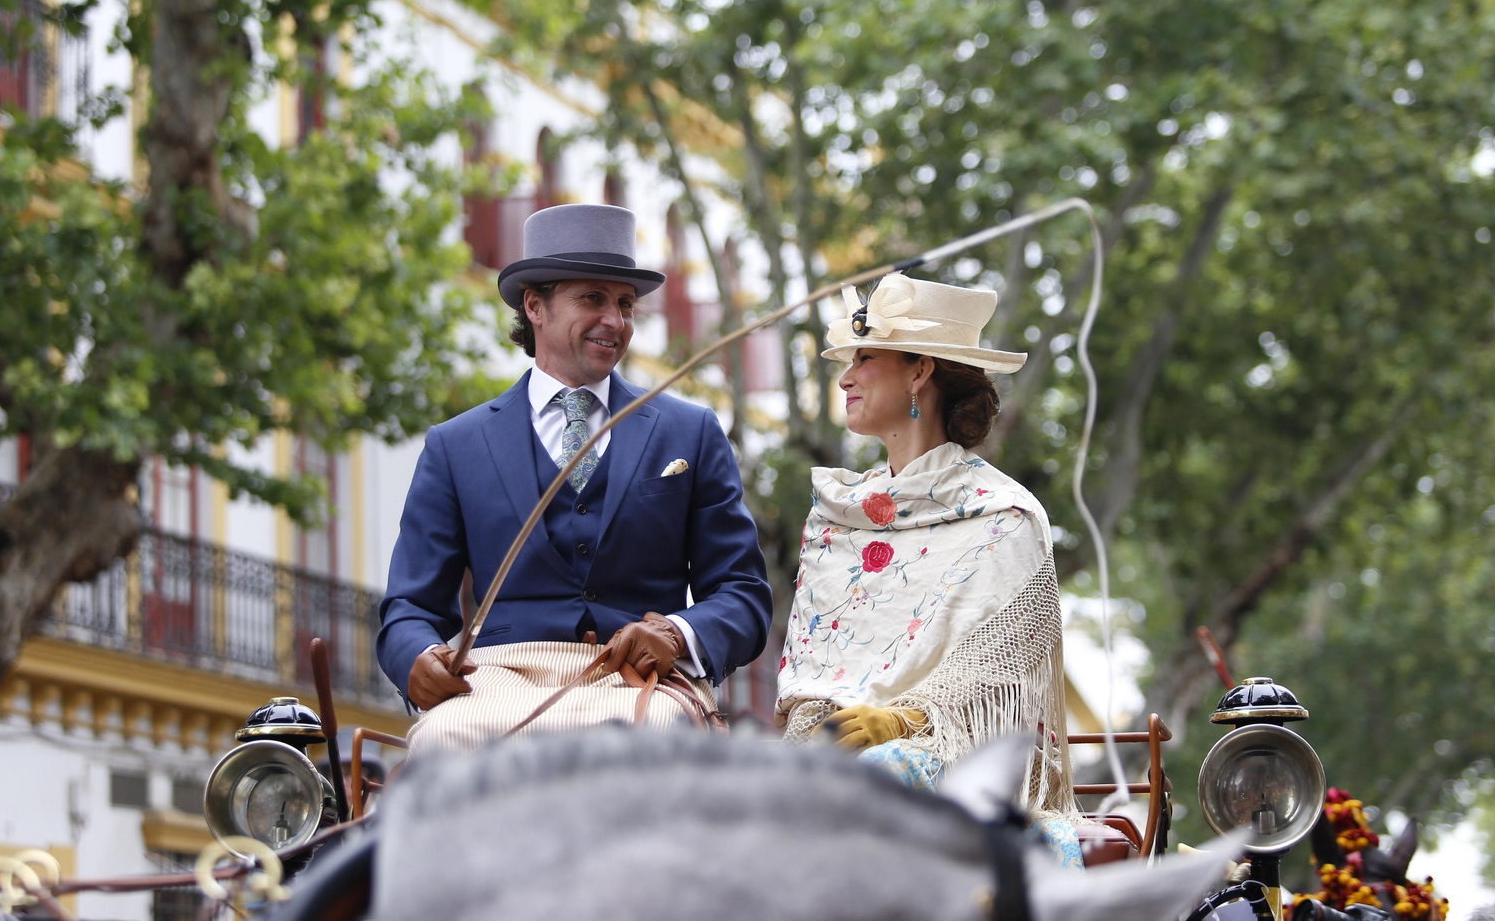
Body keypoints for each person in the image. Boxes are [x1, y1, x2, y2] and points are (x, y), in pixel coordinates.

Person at [378, 203, 773, 739]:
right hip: (497, 678)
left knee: (653, 743)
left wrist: (678, 635)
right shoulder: (457, 445)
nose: (615, 321)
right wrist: (418, 658)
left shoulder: (691, 432)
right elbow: (410, 604)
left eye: (626, 304)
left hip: (642, 681)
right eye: (592, 298)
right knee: (446, 742)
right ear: (534, 306)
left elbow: (742, 591)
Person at [777, 272, 1075, 819]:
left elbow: (998, 686)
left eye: (864, 358)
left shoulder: (1006, 517)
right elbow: (809, 680)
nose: (845, 379)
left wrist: (900, 723)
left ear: (920, 369)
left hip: (960, 773)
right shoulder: (836, 516)